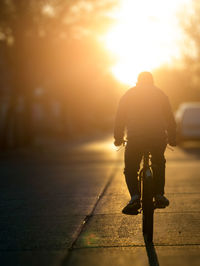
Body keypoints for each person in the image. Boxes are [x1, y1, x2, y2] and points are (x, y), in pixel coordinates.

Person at [114, 71, 176, 215]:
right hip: (157, 137)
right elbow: (169, 117)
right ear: (152, 81)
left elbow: (120, 118)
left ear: (138, 81)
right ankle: (159, 194)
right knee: (159, 162)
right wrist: (172, 137)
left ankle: (135, 197)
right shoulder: (160, 94)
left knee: (130, 168)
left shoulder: (129, 94)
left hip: (136, 138)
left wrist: (118, 138)